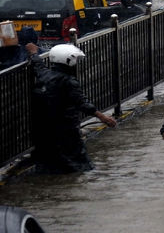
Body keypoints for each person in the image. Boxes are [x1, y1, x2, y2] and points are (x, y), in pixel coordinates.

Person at [26, 43, 117, 173]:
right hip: (66, 128)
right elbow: (82, 103)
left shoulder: (44, 75)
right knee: (79, 164)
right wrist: (103, 117)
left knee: (51, 164)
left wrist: (34, 53)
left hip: (44, 129)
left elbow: (38, 65)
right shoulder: (68, 81)